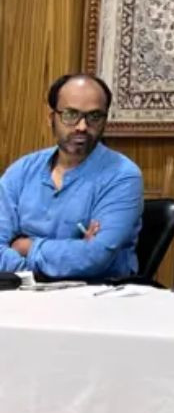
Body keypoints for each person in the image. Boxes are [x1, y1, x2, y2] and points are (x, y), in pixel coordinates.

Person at [0, 74, 143, 279]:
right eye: (70, 114)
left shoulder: (123, 176)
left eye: (94, 116)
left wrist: (26, 247)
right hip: (20, 291)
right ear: (51, 118)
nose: (82, 126)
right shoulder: (21, 171)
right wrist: (33, 271)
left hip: (95, 292)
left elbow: (94, 257)